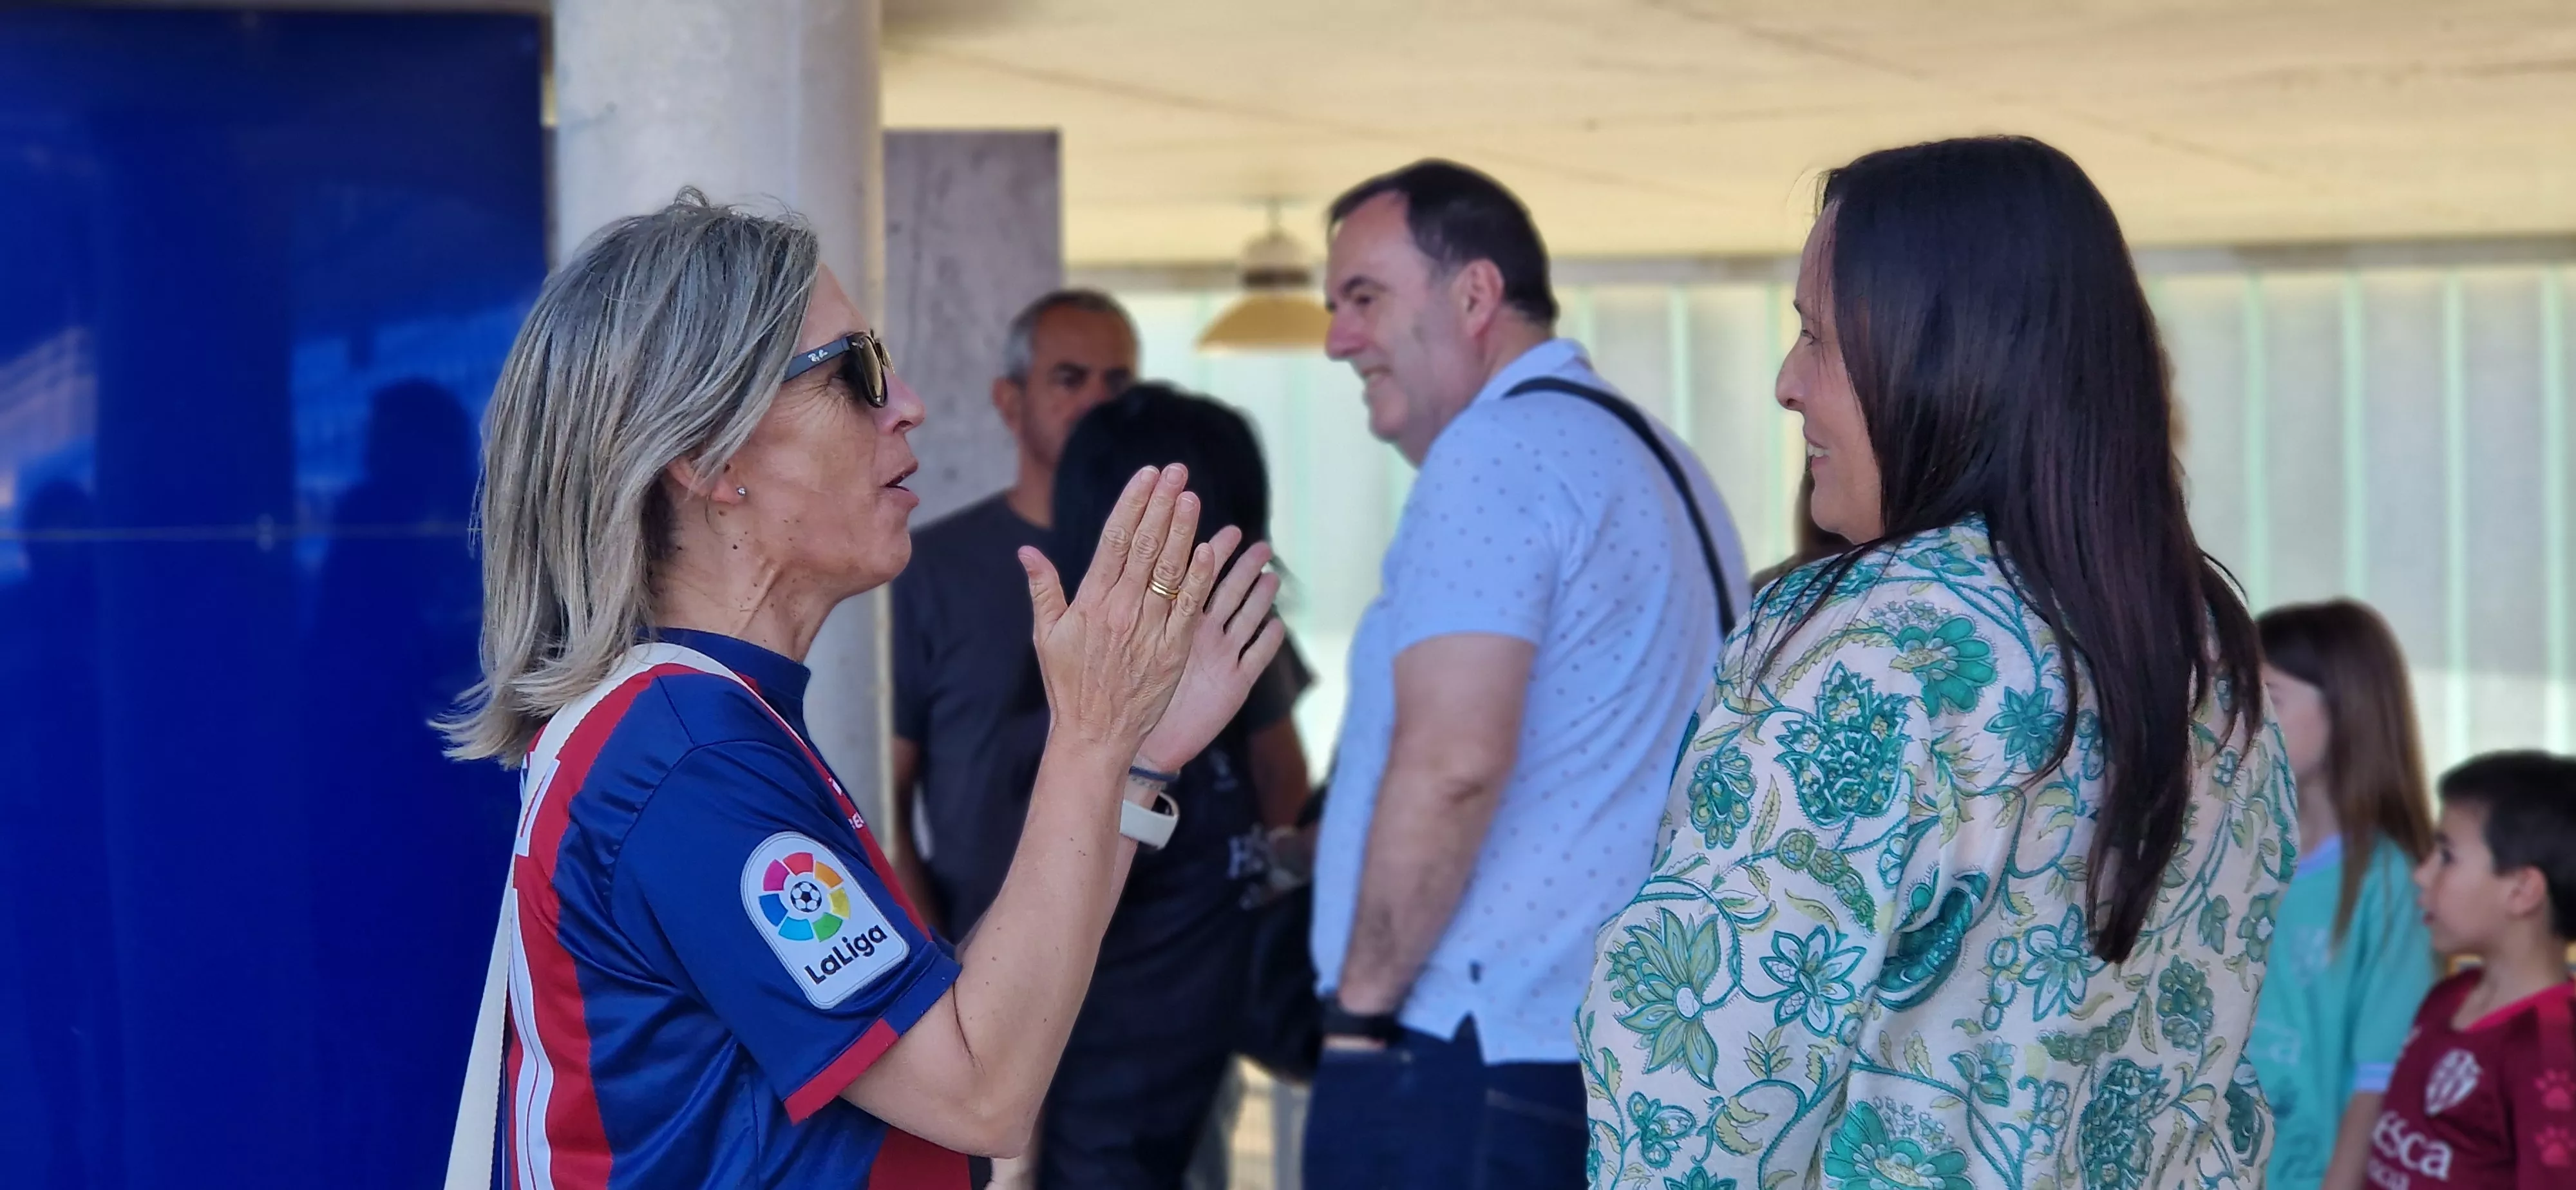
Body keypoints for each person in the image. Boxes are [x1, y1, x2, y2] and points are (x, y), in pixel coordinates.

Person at [438, 192, 1285, 1187]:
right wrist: (1090, 738)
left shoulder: (696, 727)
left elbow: (963, 1021)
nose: (909, 403)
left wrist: (1136, 762)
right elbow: (979, 1092)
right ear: (710, 455)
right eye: (856, 372)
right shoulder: (687, 758)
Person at [1580, 136, 2291, 1189]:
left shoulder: (1877, 648)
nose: (1788, 384)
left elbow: (1696, 1081)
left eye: (1818, 338)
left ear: (1943, 357)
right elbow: (2216, 1083)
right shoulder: (2209, 665)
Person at [1305, 158, 1751, 1187]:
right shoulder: (1656, 453)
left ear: (1475, 296)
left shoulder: (1495, 451)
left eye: (1364, 298)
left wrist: (1361, 1014)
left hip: (1476, 1049)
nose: (1337, 339)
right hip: (1612, 1048)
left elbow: (1455, 763)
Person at [1019, 381, 1313, 1187]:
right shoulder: (1086, 722)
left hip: (1188, 1110)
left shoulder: (1216, 683)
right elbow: (1018, 951)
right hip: (1095, 1140)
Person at [889, 288, 1141, 932]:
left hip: (1160, 982)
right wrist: (935, 965)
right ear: (1010, 403)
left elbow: (1270, 763)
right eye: (1068, 379)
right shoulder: (928, 569)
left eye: (1117, 381)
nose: (1096, 402)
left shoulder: (1166, 560)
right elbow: (885, 794)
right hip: (986, 960)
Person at [2250, 600, 2439, 1190]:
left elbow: (2378, 1075)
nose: (2245, 719)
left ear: (2345, 711)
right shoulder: (2241, 854)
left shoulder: (2391, 882)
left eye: (2269, 699)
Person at [2367, 751, 2576, 1190]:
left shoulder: (2550, 1050)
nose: (2421, 876)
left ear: (2522, 891)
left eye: (2446, 856)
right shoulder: (2447, 996)